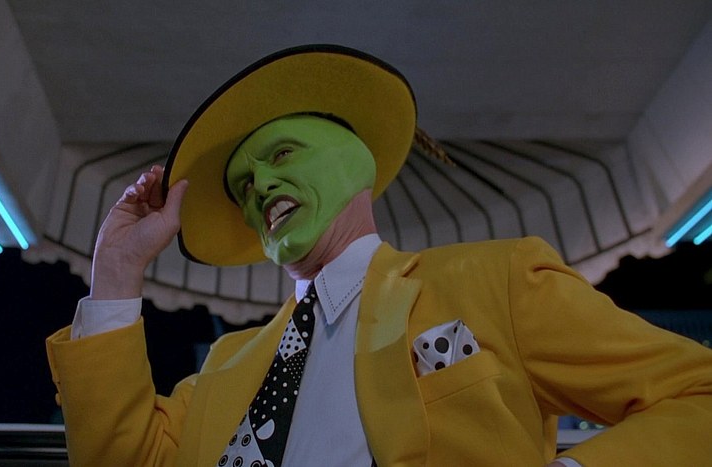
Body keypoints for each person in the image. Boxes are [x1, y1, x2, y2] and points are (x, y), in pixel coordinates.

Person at [46, 45, 712, 466]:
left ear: (355, 162)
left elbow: (697, 394)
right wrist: (116, 271)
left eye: (282, 155)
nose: (262, 188)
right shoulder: (225, 364)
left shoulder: (495, 281)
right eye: (244, 187)